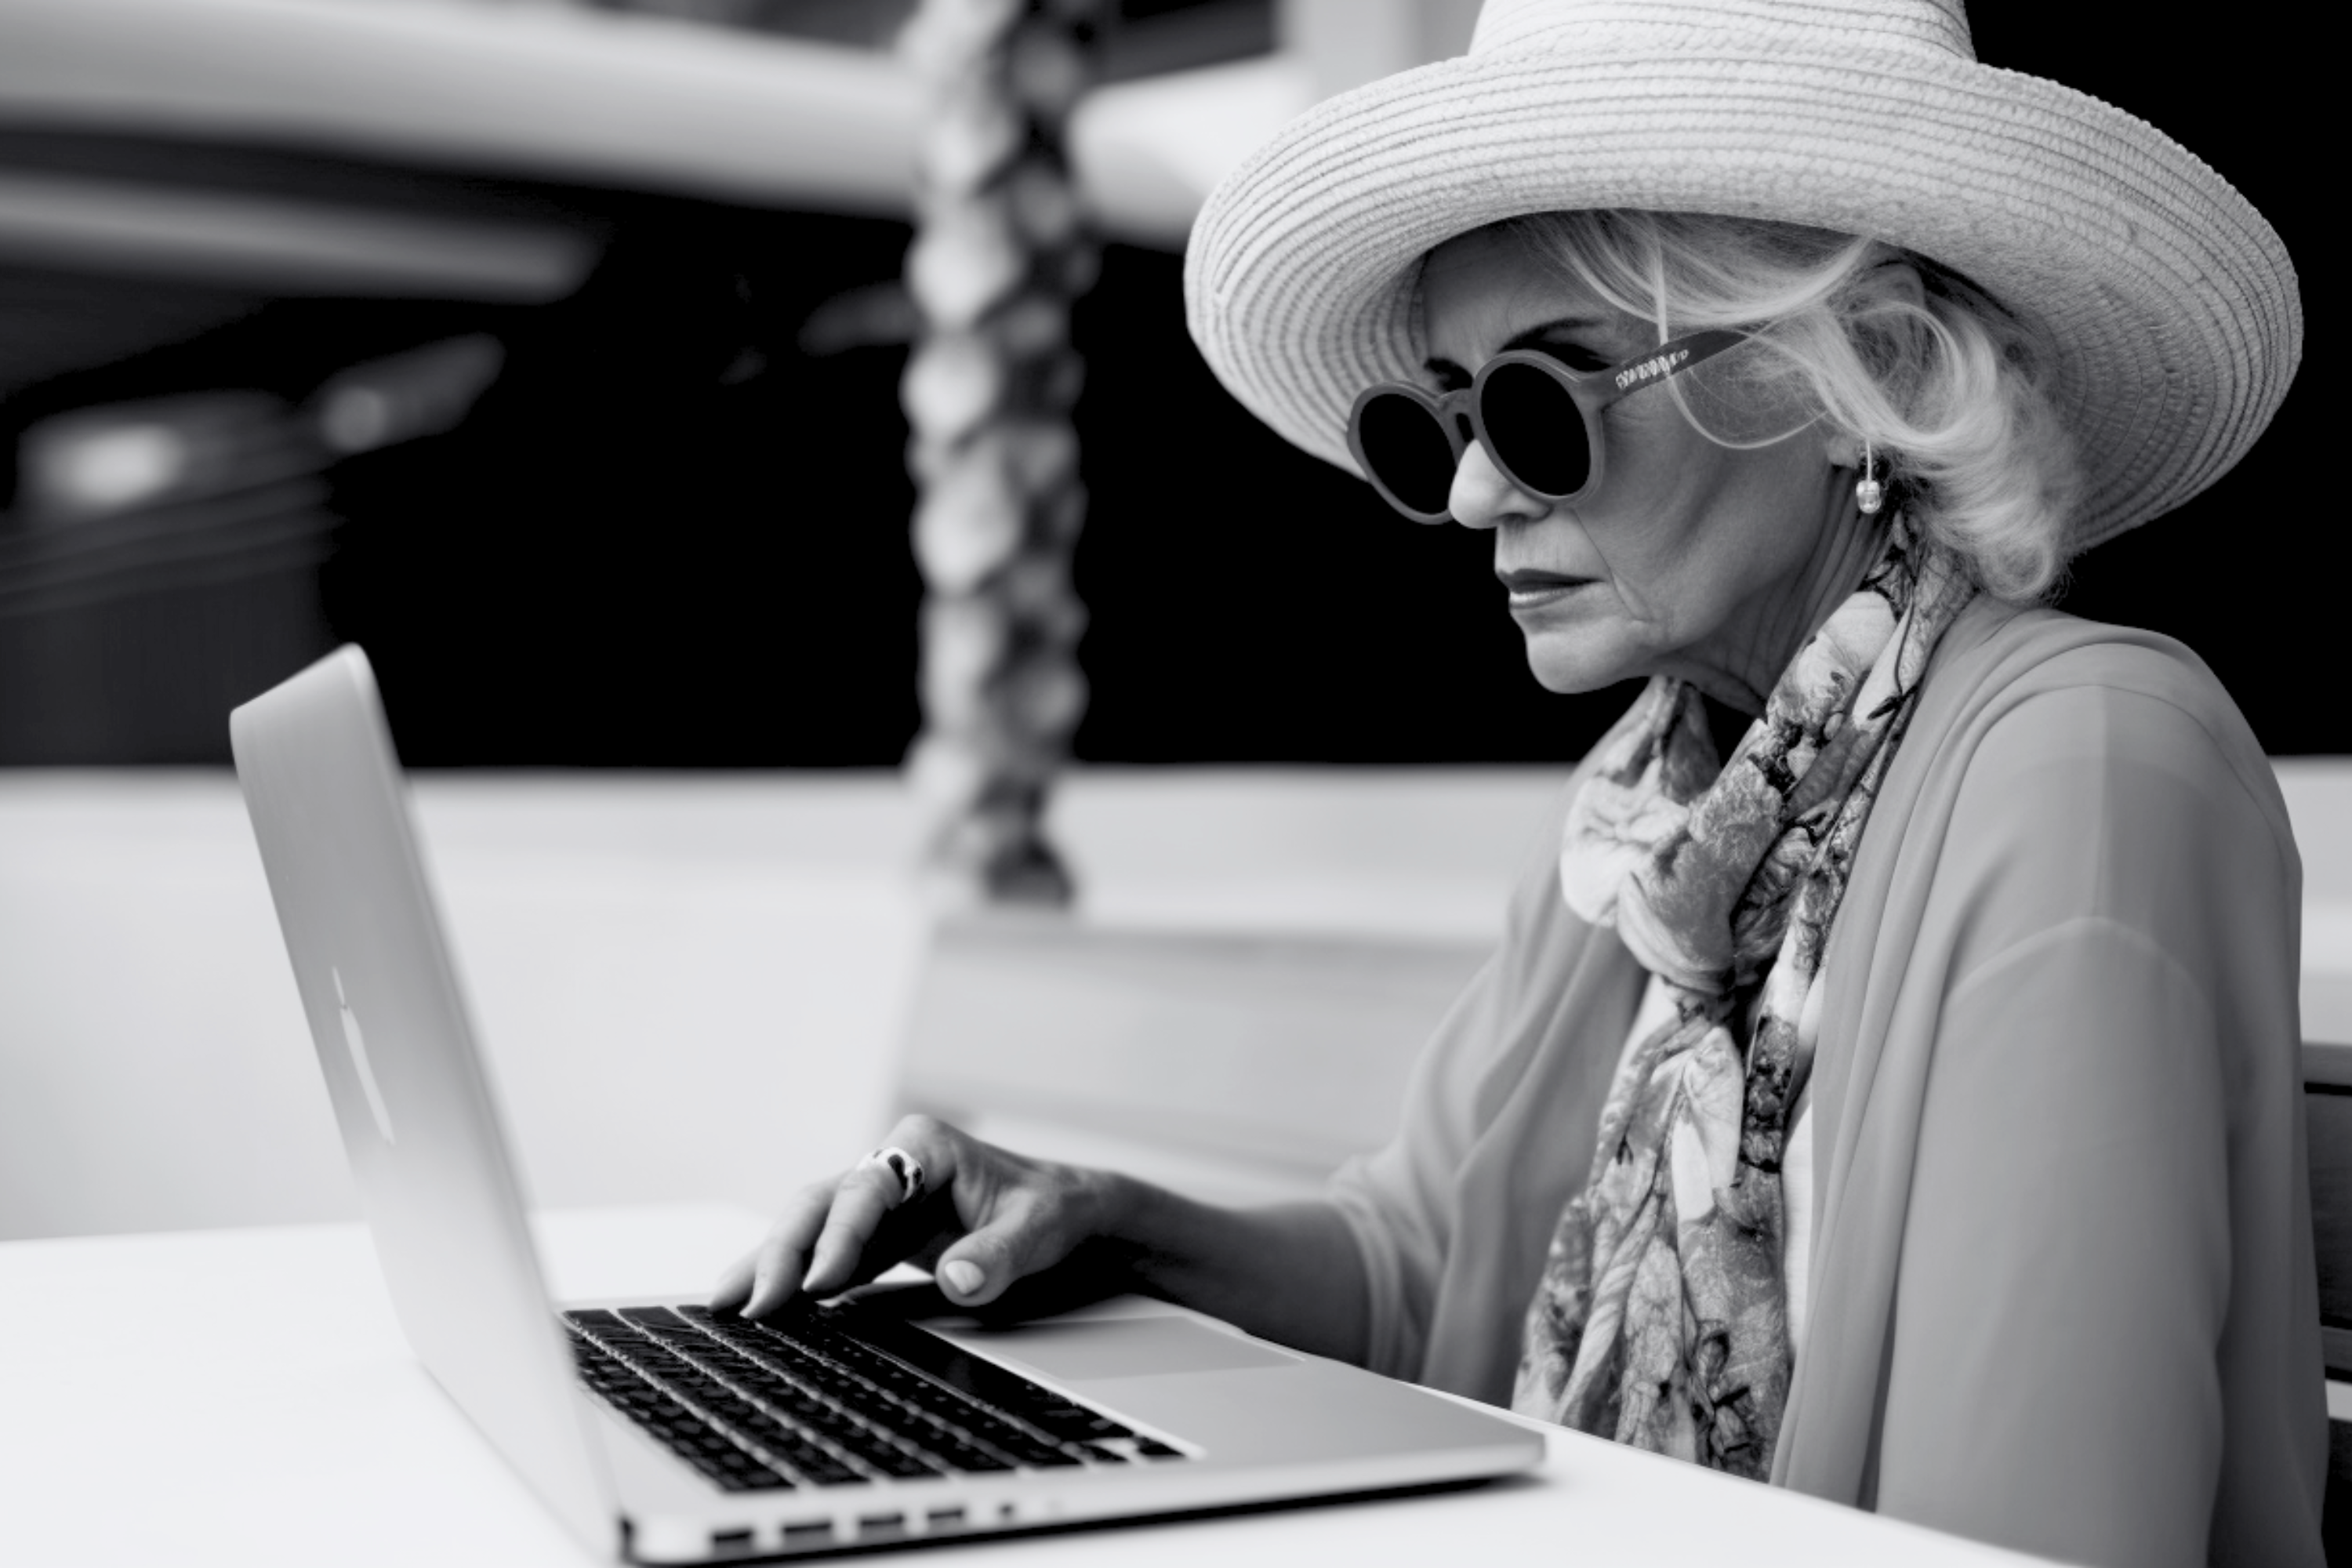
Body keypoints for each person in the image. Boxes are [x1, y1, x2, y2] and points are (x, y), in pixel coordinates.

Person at [713, 0, 2320, 1560]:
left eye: (1549, 399)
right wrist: (1094, 1218)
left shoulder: (2084, 772)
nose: (1476, 488)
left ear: (1860, 368)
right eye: (1450, 417)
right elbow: (1428, 1277)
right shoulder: (1653, 816)